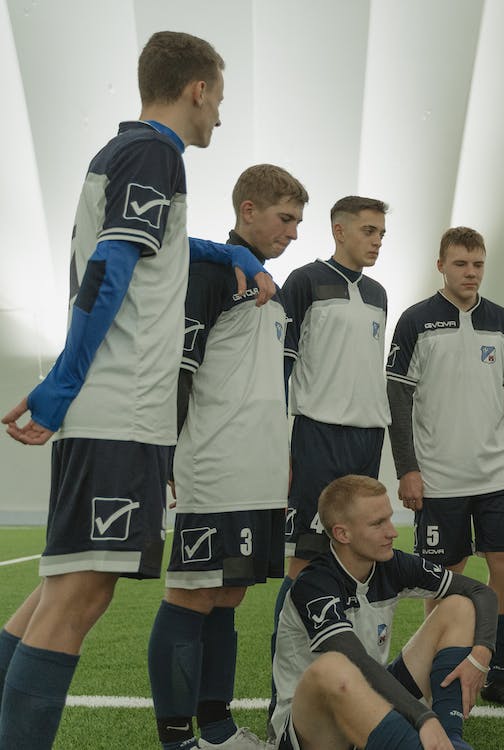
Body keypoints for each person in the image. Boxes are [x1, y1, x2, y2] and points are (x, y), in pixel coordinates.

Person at [0, 31, 274, 750]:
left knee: (59, 591)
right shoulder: (153, 154)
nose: (219, 114)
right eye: (219, 98)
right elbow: (111, 271)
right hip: (117, 410)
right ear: (198, 90)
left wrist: (233, 250)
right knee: (78, 597)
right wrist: (59, 387)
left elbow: (160, 253)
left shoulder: (135, 156)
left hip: (121, 414)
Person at [146, 164, 308, 750]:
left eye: (297, 222)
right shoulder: (213, 272)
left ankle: (215, 729)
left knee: (229, 594)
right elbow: (178, 373)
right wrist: (165, 455)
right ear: (247, 209)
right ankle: (176, 739)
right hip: (213, 463)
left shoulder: (273, 289)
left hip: (259, 468)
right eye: (284, 218)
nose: (292, 233)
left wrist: (282, 452)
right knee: (192, 592)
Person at [387, 227, 504, 709]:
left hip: (500, 477)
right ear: (441, 266)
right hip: (439, 479)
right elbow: (397, 398)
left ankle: (498, 675)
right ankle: (440, 676)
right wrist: (407, 469)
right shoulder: (415, 321)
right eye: (460, 264)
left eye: (477, 264)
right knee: (444, 579)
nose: (470, 273)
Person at [272, 475, 498, 750]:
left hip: (369, 701)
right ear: (343, 533)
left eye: (389, 519)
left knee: (459, 607)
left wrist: (481, 655)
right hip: (315, 731)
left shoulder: (390, 564)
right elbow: (356, 662)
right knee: (332, 668)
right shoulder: (313, 584)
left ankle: (450, 742)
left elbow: (482, 593)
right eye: (378, 524)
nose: (392, 532)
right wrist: (423, 717)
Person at [271, 196, 393, 698]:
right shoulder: (304, 281)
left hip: (369, 435)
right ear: (339, 230)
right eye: (368, 231)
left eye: (382, 233)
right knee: (307, 558)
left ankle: (347, 680)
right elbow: (280, 364)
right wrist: (280, 444)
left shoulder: (381, 293)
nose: (377, 241)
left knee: (359, 559)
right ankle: (288, 683)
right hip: (318, 434)